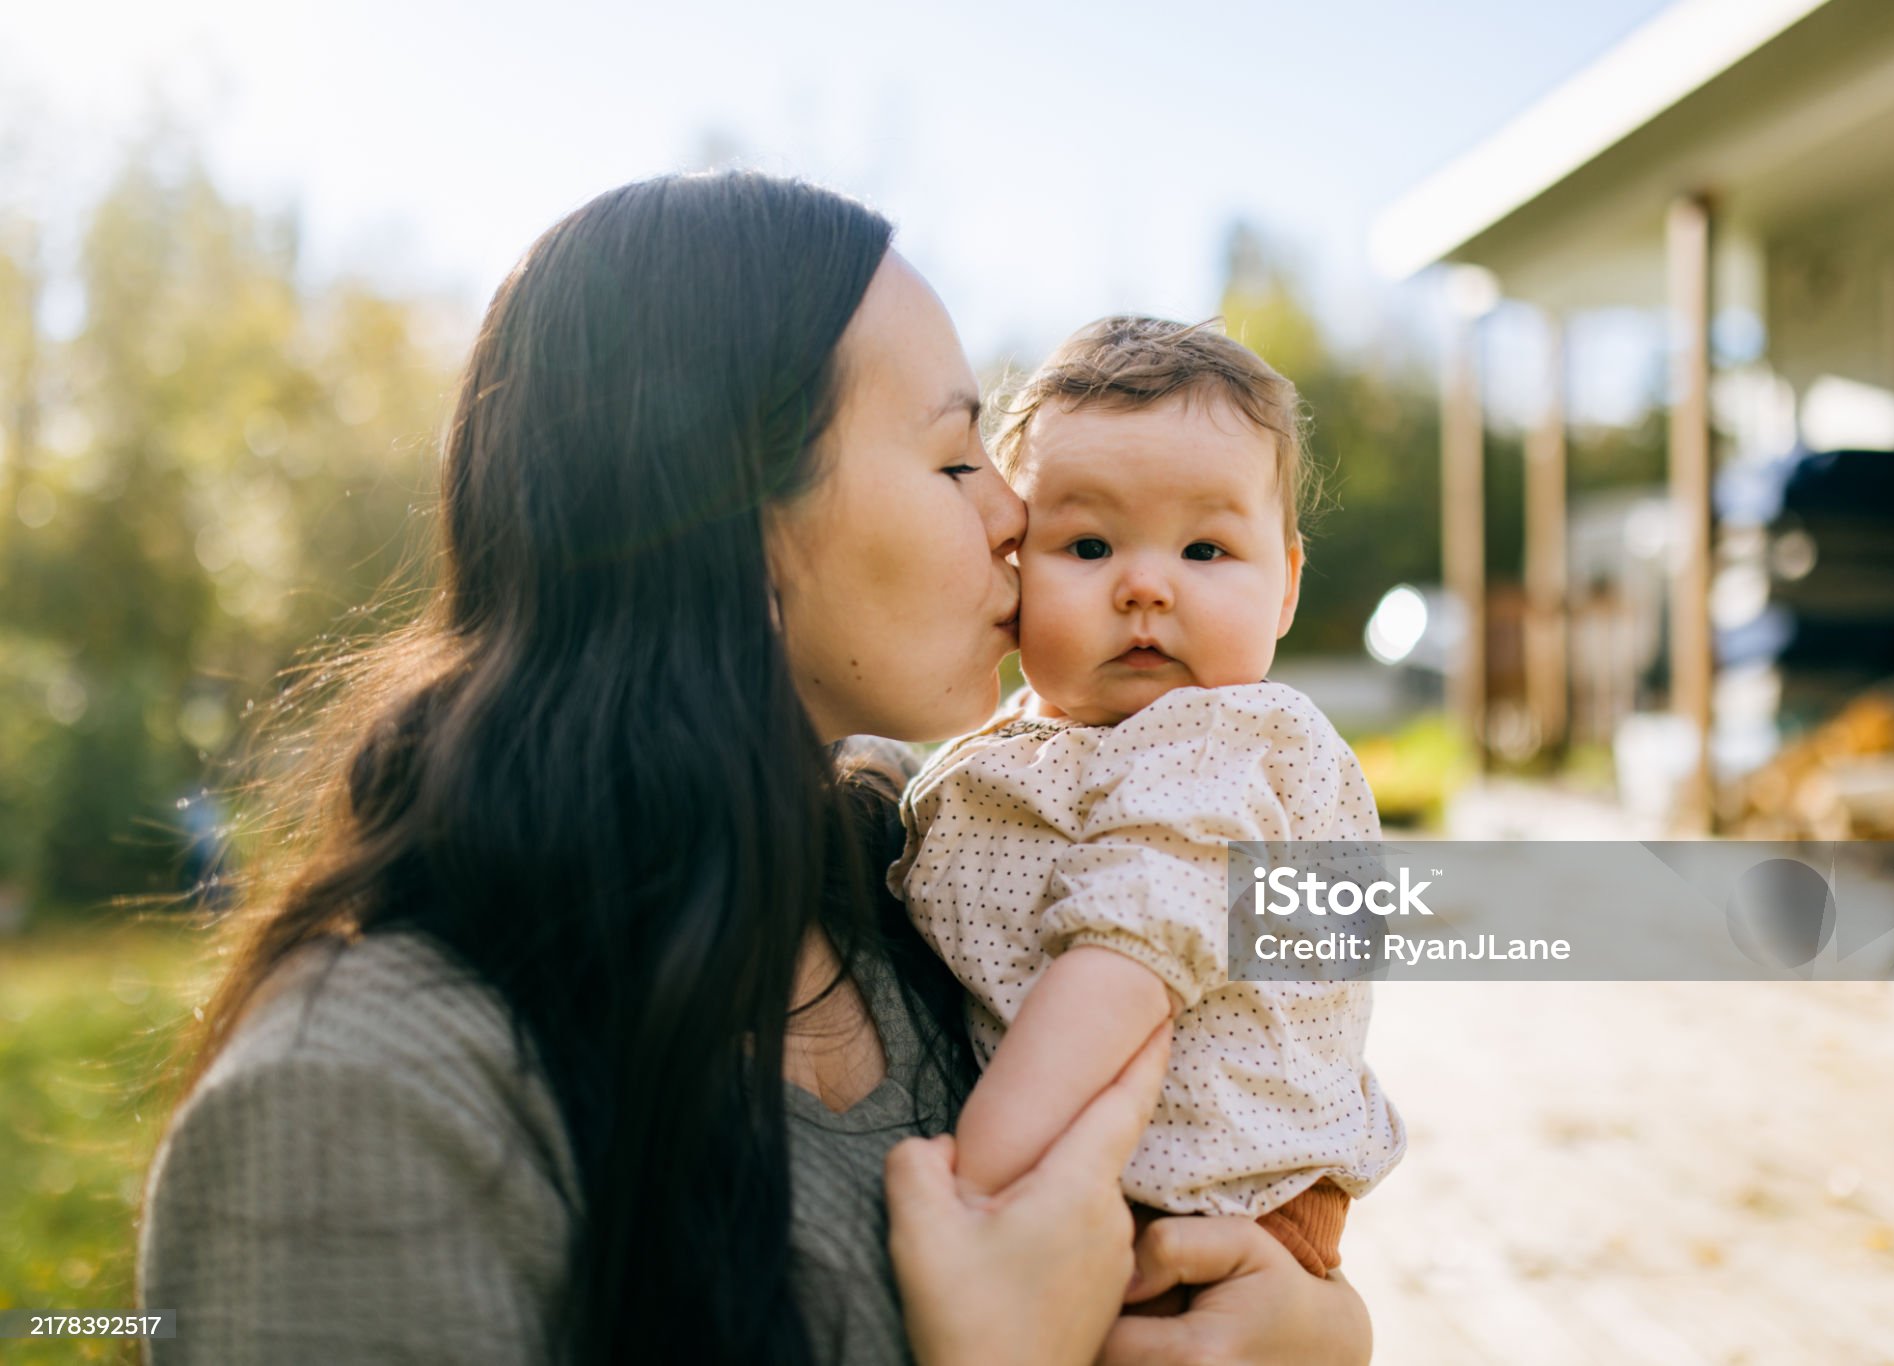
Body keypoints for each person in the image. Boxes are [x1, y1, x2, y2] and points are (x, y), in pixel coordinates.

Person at [137, 173, 1376, 1364]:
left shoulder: (900, 860)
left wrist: (1324, 1325)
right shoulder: (360, 1097)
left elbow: (1374, 928)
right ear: (731, 525)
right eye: (957, 460)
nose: (1016, 517)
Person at [890, 317, 1405, 1287]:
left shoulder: (1228, 741)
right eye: (1088, 544)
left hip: (1205, 1204)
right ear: (1013, 566)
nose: (1143, 587)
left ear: (1285, 586)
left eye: (1204, 549)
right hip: (1124, 1184)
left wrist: (978, 1180)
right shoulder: (1040, 740)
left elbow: (1126, 961)